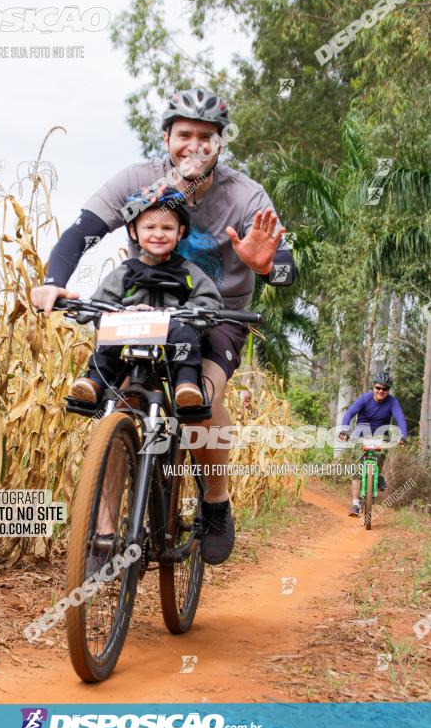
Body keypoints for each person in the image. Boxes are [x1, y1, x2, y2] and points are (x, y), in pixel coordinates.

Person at [31, 86, 295, 565]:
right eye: (184, 134)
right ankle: (105, 532)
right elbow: (81, 231)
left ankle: (215, 502)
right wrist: (53, 282)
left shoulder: (246, 195)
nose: (194, 145)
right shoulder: (137, 180)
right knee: (119, 405)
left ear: (220, 143)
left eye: (206, 137)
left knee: (202, 403)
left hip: (216, 315)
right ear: (167, 137)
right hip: (143, 310)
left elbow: (285, 267)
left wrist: (265, 267)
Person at [69, 187, 222, 408]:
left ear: (180, 233)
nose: (158, 234)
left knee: (185, 335)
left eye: (167, 228)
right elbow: (100, 301)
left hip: (171, 334)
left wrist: (185, 314)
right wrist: (93, 311)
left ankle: (186, 386)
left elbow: (210, 301)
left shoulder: (189, 271)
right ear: (133, 231)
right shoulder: (125, 272)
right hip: (129, 334)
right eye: (149, 227)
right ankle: (93, 383)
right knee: (110, 334)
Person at [338, 371, 408, 517]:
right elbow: (349, 413)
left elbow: (400, 418)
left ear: (388, 390)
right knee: (357, 470)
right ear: (373, 387)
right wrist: (344, 429)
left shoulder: (392, 402)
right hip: (361, 434)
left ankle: (379, 473)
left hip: (380, 435)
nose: (381, 391)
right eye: (378, 388)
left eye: (385, 389)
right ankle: (356, 504)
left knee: (381, 453)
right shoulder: (365, 398)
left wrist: (403, 435)